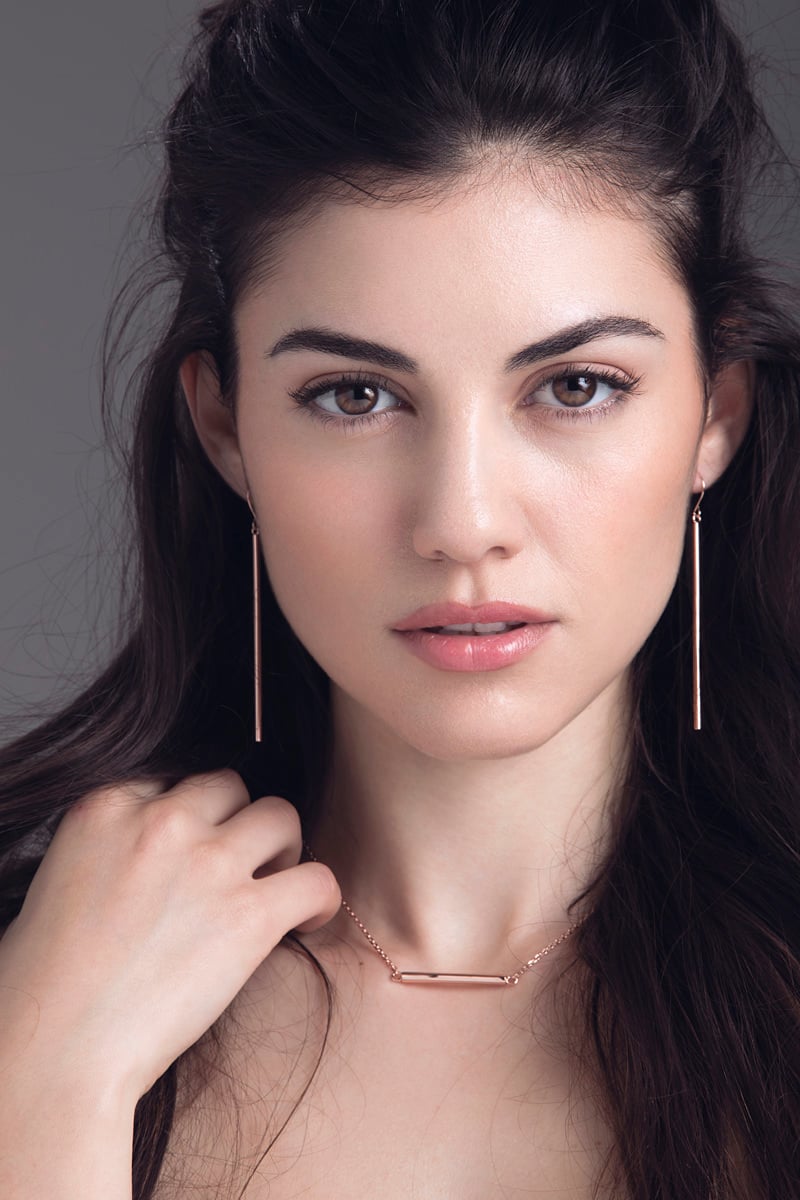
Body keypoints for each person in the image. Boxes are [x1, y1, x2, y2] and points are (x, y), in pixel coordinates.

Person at [1, 0, 799, 1196]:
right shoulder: (37, 978)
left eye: (575, 386)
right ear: (226, 429)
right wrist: (44, 1090)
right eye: (354, 398)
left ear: (713, 417)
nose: (462, 523)